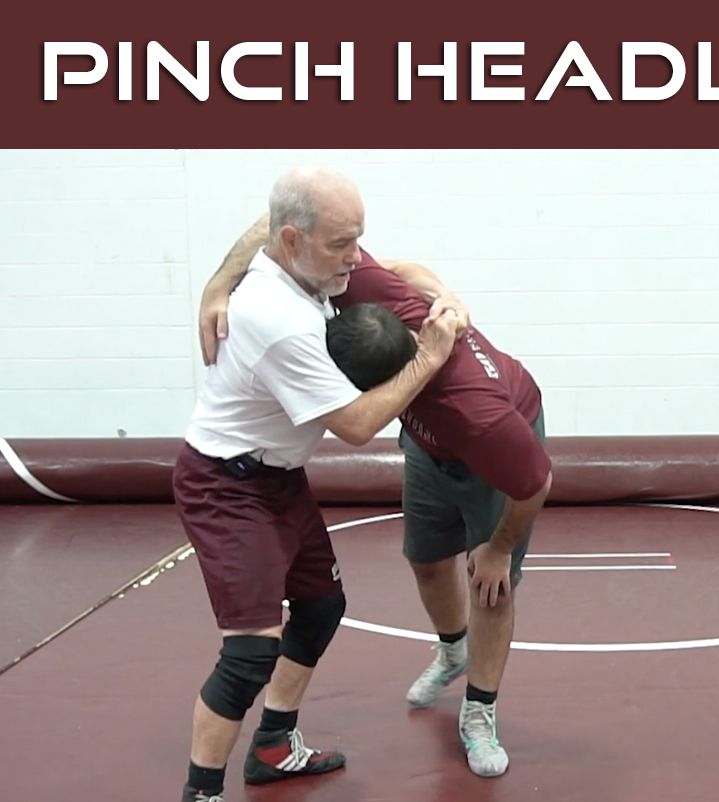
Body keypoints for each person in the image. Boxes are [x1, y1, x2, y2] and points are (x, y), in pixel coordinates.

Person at [199, 222, 553, 780]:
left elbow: (535, 483)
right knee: (426, 559)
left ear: (380, 388)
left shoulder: (478, 416)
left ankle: (480, 709)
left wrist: (499, 548)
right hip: (429, 442)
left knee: (491, 586)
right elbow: (280, 224)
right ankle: (453, 651)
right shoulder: (367, 292)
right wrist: (217, 288)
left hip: (493, 452)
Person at [173, 166, 464, 802]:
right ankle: (201, 793)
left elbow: (266, 222)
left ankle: (273, 746)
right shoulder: (277, 319)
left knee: (320, 606)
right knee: (249, 654)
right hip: (226, 486)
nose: (355, 257)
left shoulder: (306, 262)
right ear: (293, 240)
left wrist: (216, 280)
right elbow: (357, 424)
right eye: (341, 244)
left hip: (277, 478)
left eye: (357, 238)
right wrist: (429, 356)